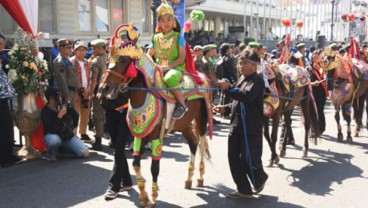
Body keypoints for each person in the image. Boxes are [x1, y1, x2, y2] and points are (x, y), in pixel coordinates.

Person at [214, 53, 268, 198]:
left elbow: (246, 96)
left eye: (244, 63)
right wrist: (225, 107)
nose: (240, 66)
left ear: (254, 65)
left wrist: (229, 88)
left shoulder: (257, 80)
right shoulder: (242, 79)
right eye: (240, 63)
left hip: (250, 126)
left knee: (248, 157)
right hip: (236, 124)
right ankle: (244, 189)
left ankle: (260, 178)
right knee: (233, 157)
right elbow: (238, 101)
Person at [147, 0, 188, 119]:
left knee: (169, 78)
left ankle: (182, 105)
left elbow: (182, 57)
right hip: (158, 67)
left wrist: (170, 67)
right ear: (159, 23)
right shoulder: (155, 38)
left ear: (173, 21)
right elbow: (149, 54)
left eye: (169, 19)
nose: (166, 23)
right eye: (163, 20)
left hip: (176, 68)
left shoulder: (178, 37)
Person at [41, 87, 89, 160]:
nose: (60, 98)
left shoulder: (63, 105)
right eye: (58, 96)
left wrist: (75, 127)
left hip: (67, 136)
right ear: (51, 99)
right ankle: (52, 153)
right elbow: (52, 129)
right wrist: (59, 116)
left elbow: (75, 115)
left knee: (85, 153)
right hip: (54, 136)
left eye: (60, 96)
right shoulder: (45, 111)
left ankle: (64, 151)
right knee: (53, 141)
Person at [101, 92, 133, 199]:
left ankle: (114, 187)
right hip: (110, 112)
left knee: (118, 150)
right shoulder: (105, 74)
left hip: (124, 113)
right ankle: (127, 182)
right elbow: (101, 88)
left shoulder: (128, 77)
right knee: (117, 148)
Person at [0, 34, 22, 167]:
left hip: (4, 97)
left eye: (2, 44)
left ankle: (7, 155)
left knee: (7, 127)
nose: (1, 46)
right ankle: (4, 158)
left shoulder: (3, 57)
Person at [70, 41, 92, 142]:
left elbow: (90, 77)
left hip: (86, 92)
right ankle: (74, 133)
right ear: (75, 51)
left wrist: (88, 89)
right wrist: (80, 88)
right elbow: (71, 78)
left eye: (83, 50)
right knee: (75, 113)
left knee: (86, 114)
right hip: (75, 92)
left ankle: (83, 133)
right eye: (79, 49)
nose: (82, 52)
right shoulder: (71, 62)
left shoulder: (87, 62)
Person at [89, 39, 108, 151]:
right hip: (110, 92)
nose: (93, 50)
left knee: (97, 116)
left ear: (101, 49)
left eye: (95, 48)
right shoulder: (110, 58)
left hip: (99, 92)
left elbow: (93, 79)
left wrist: (91, 93)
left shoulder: (96, 61)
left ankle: (98, 141)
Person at [53, 38, 80, 107]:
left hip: (73, 91)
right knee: (68, 115)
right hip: (68, 92)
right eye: (68, 47)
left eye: (71, 47)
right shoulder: (60, 62)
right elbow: (61, 80)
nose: (71, 49)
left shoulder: (67, 60)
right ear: (61, 48)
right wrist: (66, 95)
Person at [310, 49, 327, 136]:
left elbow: (326, 77)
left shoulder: (323, 67)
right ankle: (313, 130)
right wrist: (313, 84)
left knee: (320, 110)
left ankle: (321, 128)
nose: (315, 60)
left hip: (321, 93)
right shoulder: (309, 68)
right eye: (313, 58)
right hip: (312, 92)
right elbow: (306, 81)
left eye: (317, 58)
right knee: (312, 111)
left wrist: (320, 68)